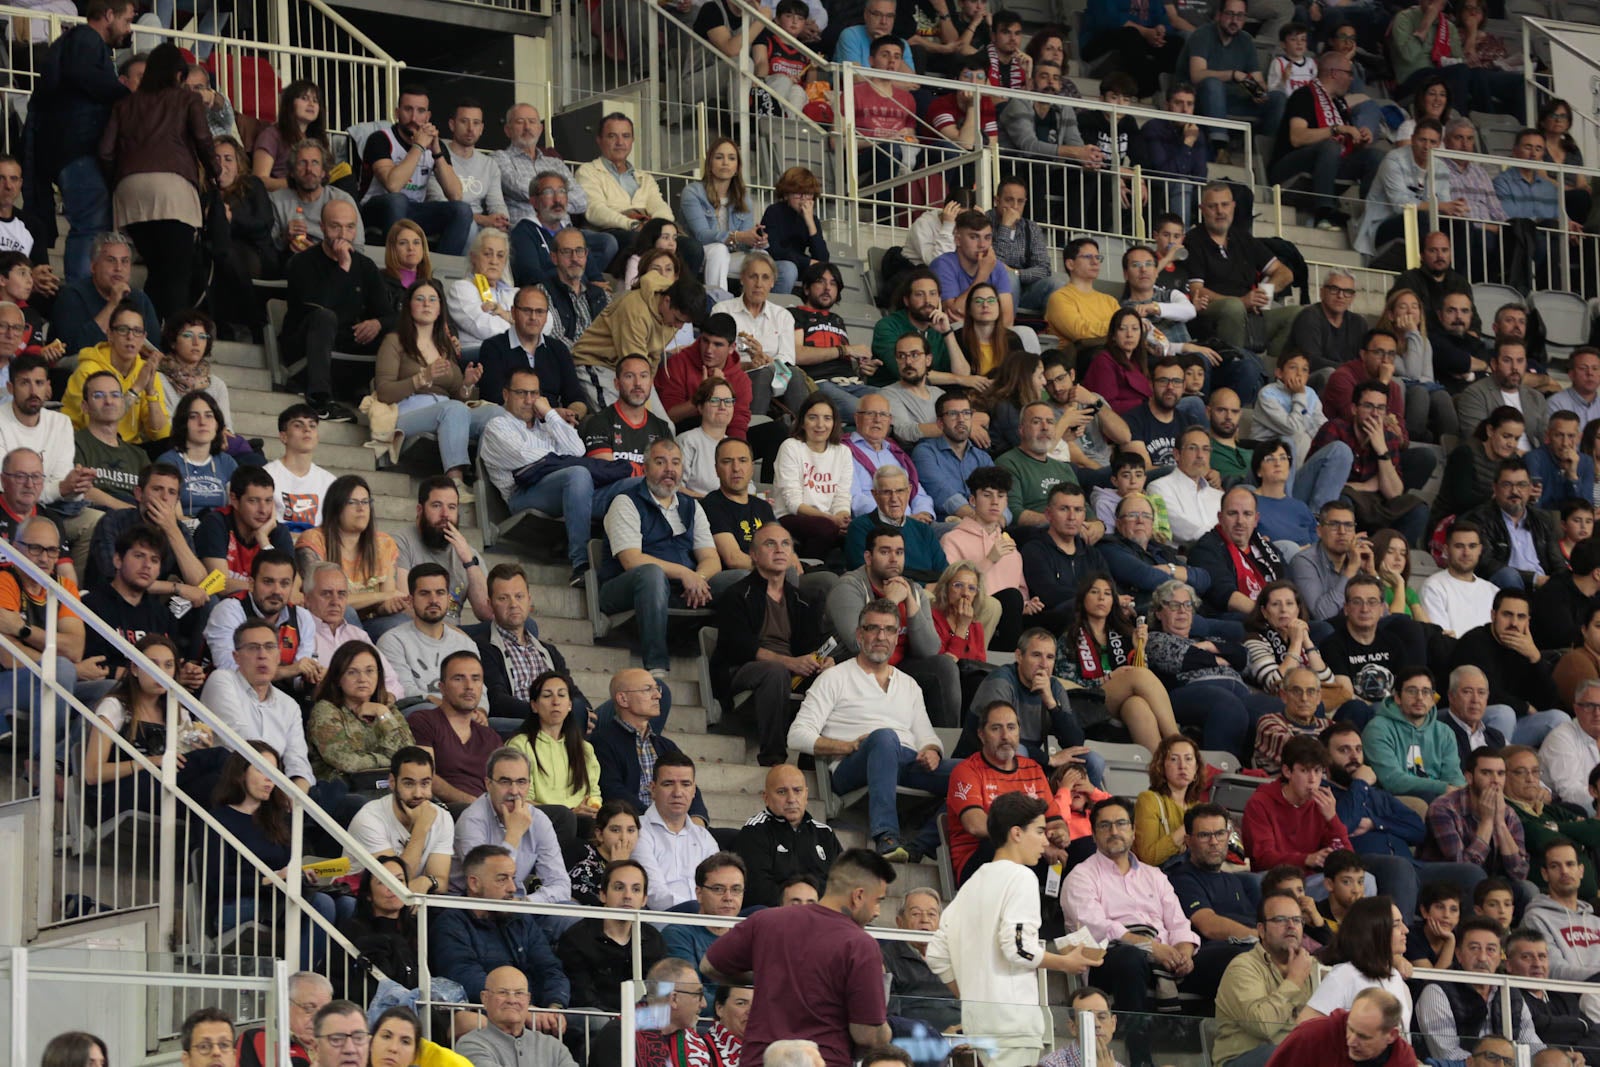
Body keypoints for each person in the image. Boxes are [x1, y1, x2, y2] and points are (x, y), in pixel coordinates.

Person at [926, 792, 1095, 1065]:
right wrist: (1065, 962)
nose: (1045, 840)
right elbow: (1018, 948)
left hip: (979, 1022)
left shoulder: (971, 884)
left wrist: (972, 998)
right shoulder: (1021, 877)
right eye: (1040, 831)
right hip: (1012, 1025)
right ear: (1016, 833)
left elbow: (935, 953)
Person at [789, 597, 955, 860]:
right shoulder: (834, 678)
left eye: (889, 630)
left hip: (905, 761)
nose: (881, 636)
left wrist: (933, 749)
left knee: (971, 773)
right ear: (859, 634)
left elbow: (926, 735)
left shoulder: (909, 684)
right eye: (873, 628)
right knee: (884, 738)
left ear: (896, 637)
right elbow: (797, 735)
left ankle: (920, 844)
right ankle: (887, 836)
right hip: (852, 765)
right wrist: (848, 746)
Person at [702, 848, 896, 1067]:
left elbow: (709, 966)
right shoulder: (861, 944)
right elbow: (867, 1034)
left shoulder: (765, 921)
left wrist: (761, 977)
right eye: (878, 901)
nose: (877, 912)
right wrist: (886, 1032)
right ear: (858, 896)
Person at [203, 742, 355, 967]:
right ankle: (298, 984)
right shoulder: (217, 819)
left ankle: (324, 976)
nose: (269, 779)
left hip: (279, 898)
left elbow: (289, 868)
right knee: (322, 904)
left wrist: (304, 875)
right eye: (262, 770)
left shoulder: (277, 820)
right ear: (240, 772)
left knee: (347, 905)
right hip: (236, 902)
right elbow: (217, 882)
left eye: (274, 773)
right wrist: (271, 879)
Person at [1062, 796, 1213, 1016]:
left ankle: (1217, 1046)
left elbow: (1179, 923)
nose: (1114, 831)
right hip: (1108, 960)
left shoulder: (1154, 875)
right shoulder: (1081, 877)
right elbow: (1096, 929)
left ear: (1133, 831)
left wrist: (1184, 953)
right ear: (1094, 835)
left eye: (1121, 824)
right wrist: (1149, 947)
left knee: (1225, 958)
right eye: (1105, 825)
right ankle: (1137, 1045)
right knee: (1130, 957)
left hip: (1165, 958)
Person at [30, 0, 135, 282]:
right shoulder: (85, 39)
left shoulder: (75, 42)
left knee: (89, 225)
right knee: (89, 226)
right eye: (126, 21)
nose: (127, 30)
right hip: (78, 152)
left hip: (69, 152)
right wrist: (129, 97)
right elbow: (86, 77)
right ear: (109, 15)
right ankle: (80, 297)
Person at [711, 526, 831, 766]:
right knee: (775, 672)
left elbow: (810, 645)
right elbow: (739, 647)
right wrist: (788, 662)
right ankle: (773, 758)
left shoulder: (803, 600)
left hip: (791, 668)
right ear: (754, 555)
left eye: (785, 544)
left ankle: (811, 760)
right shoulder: (736, 594)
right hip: (744, 667)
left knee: (834, 676)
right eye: (770, 544)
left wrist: (823, 661)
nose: (779, 550)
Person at [280, 199, 394, 421]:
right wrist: (343, 268)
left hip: (346, 343)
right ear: (322, 227)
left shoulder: (365, 266)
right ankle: (320, 401)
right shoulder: (301, 262)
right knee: (324, 317)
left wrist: (377, 323)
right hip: (304, 345)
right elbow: (320, 306)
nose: (343, 233)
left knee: (393, 332)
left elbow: (389, 314)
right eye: (335, 226)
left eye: (349, 227)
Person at [428, 843, 569, 1021]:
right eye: (502, 879)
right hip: (489, 1019)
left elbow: (550, 969)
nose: (512, 888)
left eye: (513, 878)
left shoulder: (521, 920)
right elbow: (467, 978)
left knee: (596, 1022)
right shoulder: (451, 924)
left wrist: (554, 1008)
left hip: (537, 1015)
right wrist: (524, 1010)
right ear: (474, 883)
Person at [1056, 572, 1181, 752]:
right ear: (1083, 598)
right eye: (1094, 592)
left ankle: (1160, 766)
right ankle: (1177, 742)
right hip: (1087, 701)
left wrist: (1139, 649)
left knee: (1137, 705)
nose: (1101, 598)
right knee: (1137, 675)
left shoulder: (1124, 634)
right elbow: (1066, 685)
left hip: (1119, 701)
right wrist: (1106, 679)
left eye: (1107, 594)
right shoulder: (1070, 638)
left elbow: (1142, 683)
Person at [1307, 382, 1430, 546]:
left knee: (1417, 509)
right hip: (1342, 501)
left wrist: (1381, 449)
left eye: (1381, 408)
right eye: (1368, 406)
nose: (1375, 414)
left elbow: (1394, 493)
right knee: (1343, 501)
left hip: (1374, 505)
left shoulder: (1388, 438)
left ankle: (1390, 556)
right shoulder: (1335, 429)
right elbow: (1322, 484)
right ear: (1354, 409)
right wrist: (1365, 486)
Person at [1267, 58, 1382, 233]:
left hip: (1328, 164)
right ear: (1334, 73)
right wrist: (1337, 129)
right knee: (1329, 145)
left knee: (1375, 156)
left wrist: (1360, 139)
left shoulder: (1339, 104)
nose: (1352, 79)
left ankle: (1370, 218)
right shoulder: (1303, 95)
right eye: (1349, 74)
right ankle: (1324, 211)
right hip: (1288, 166)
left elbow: (1344, 145)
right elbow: (1296, 137)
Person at [1213, 889, 1322, 1067]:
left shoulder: (1313, 966)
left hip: (1295, 1055)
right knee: (1286, 1052)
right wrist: (1294, 981)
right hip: (1244, 1059)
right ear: (1261, 930)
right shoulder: (1243, 967)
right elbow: (1262, 1026)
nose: (1291, 926)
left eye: (1297, 920)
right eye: (1280, 920)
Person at [1185, 182, 1298, 353]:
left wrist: (1263, 294)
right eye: (1212, 206)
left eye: (1225, 205)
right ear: (1202, 209)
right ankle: (1237, 365)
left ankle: (1273, 372)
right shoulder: (1193, 240)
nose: (1220, 211)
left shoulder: (1243, 238)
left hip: (1252, 316)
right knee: (1233, 307)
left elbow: (1285, 273)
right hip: (1213, 315)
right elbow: (1197, 291)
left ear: (1233, 206)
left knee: (1299, 314)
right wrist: (1242, 302)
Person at [359, 87, 472, 256]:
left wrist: (437, 153)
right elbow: (393, 185)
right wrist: (418, 147)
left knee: (462, 210)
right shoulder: (380, 139)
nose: (413, 118)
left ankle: (440, 271)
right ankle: (395, 266)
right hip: (377, 208)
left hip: (414, 210)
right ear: (397, 113)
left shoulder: (435, 145)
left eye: (420, 111)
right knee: (397, 200)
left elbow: (455, 194)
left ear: (427, 117)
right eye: (408, 109)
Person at [1447, 588, 1567, 745]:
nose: (1514, 623)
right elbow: (1484, 694)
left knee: (1559, 719)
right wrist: (1525, 707)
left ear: (1528, 621)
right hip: (1463, 721)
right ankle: (1493, 768)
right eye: (1507, 615)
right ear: (1493, 615)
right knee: (1504, 713)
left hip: (1508, 726)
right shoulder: (1474, 642)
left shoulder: (1525, 647)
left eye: (1521, 617)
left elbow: (1550, 701)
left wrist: (1535, 658)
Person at [1419, 747, 1532, 905]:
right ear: (1469, 777)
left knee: (1527, 889)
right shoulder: (1443, 808)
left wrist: (1499, 824)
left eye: (1500, 773)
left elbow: (1519, 873)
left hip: (1489, 882)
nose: (1495, 780)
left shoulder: (1508, 813)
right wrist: (1487, 822)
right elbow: (1463, 870)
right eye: (1486, 773)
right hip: (1445, 886)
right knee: (1474, 877)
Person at [1415, 923, 1542, 1061]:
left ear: (1500, 957)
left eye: (1491, 950)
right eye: (1474, 948)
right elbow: (1447, 1055)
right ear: (1459, 955)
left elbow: (1533, 1047)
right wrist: (1494, 1064)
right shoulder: (1437, 991)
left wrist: (1554, 1058)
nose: (1482, 957)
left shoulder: (1510, 993)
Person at [294, 476, 404, 635]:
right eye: (352, 502)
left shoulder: (384, 543)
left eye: (366, 502)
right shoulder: (314, 540)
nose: (361, 508)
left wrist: (388, 605)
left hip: (371, 620)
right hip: (324, 620)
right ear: (336, 507)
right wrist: (384, 595)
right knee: (346, 612)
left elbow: (385, 601)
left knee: (400, 623)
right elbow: (326, 599)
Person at [553, 857, 665, 1013]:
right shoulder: (577, 938)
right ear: (603, 895)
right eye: (619, 888)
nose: (628, 895)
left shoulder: (653, 938)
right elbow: (583, 998)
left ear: (644, 899)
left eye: (636, 889)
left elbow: (660, 996)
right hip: (597, 1026)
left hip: (643, 1026)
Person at [62, 299, 170, 445]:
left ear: (144, 338)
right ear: (110, 335)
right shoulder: (88, 370)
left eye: (137, 331)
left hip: (129, 449)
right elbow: (98, 426)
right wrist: (137, 388)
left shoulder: (145, 371)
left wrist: (151, 392)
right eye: (123, 330)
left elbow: (161, 435)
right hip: (85, 444)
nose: (130, 337)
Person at [732, 764, 841, 908]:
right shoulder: (755, 831)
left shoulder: (825, 834)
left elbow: (843, 883)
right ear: (766, 798)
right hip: (776, 916)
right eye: (782, 792)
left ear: (806, 795)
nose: (791, 799)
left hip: (821, 916)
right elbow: (758, 890)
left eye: (797, 791)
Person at [393, 476, 492, 626]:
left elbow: (487, 612)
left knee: (522, 625)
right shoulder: (401, 543)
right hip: (415, 628)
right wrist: (451, 634)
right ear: (420, 510)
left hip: (456, 634)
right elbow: (405, 606)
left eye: (452, 507)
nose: (445, 514)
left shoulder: (467, 553)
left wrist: (469, 562)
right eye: (437, 505)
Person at [1457, 459, 1566, 592]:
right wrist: (1533, 579)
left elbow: (1558, 563)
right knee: (1508, 575)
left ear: (1530, 488)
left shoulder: (1543, 519)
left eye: (1522, 485)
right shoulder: (1479, 519)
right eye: (1507, 485)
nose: (1515, 491)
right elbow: (1486, 563)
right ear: (1495, 488)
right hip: (1505, 587)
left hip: (1544, 588)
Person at [1362, 665, 1465, 801]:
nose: (1420, 698)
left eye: (1426, 692)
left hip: (1441, 800)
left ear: (1433, 698)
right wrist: (1442, 788)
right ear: (1397, 697)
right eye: (1412, 691)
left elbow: (1454, 777)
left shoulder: (1444, 732)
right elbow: (1392, 780)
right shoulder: (1377, 729)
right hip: (1394, 801)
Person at [50, 231, 160, 355]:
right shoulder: (71, 295)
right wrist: (113, 304)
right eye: (111, 260)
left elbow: (154, 348)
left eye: (124, 261)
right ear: (93, 266)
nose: (118, 268)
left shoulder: (140, 299)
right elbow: (75, 349)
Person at [869, 270, 980, 390]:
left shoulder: (940, 329)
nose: (928, 301)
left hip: (930, 395)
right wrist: (957, 379)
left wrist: (947, 333)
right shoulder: (887, 326)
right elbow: (906, 371)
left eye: (933, 294)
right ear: (906, 300)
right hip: (889, 393)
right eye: (919, 294)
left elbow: (963, 374)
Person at [773, 392, 853, 557]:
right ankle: (808, 568)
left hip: (828, 519)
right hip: (791, 516)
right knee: (825, 528)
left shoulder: (843, 452)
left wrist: (842, 517)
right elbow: (793, 503)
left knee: (860, 529)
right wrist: (831, 519)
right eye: (813, 417)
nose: (820, 425)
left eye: (827, 418)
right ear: (802, 422)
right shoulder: (791, 447)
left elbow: (842, 497)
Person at [1267, 988, 1417, 1067]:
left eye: (1363, 1036)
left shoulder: (1403, 1060)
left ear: (1391, 1035)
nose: (1351, 1041)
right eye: (1350, 1028)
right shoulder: (1310, 1037)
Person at [267, 139, 355, 269]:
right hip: (292, 264)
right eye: (302, 163)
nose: (309, 169)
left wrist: (320, 252)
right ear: (292, 172)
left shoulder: (342, 199)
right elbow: (268, 249)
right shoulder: (276, 200)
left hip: (335, 263)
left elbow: (358, 247)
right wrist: (285, 237)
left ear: (323, 171)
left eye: (315, 163)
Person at [1524, 838, 1600, 980]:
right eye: (1555, 866)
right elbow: (1553, 970)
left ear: (1581, 871)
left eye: (1570, 864)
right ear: (1545, 874)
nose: (1564, 871)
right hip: (1567, 998)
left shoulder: (1596, 922)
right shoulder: (1536, 918)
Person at [1456, 338, 1549, 446]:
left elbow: (1547, 439)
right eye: (1507, 360)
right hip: (1498, 461)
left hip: (1533, 460)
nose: (1515, 368)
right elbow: (1479, 443)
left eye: (1520, 361)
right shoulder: (1475, 395)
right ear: (1494, 364)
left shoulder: (1536, 397)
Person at [1148, 425, 1224, 546]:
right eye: (1192, 448)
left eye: (1205, 449)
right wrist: (1223, 539)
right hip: (1182, 559)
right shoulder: (1158, 488)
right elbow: (1181, 530)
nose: (1200, 455)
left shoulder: (1219, 496)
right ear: (1177, 454)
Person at [1421, 522, 1500, 638]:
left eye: (1472, 546)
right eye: (1459, 546)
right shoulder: (1433, 587)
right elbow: (1441, 640)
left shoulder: (1493, 591)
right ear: (1446, 550)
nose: (1466, 553)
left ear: (1480, 550)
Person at [234, 971, 329, 1067]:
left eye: (326, 1011)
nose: (318, 1019)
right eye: (309, 1008)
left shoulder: (336, 1045)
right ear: (285, 1006)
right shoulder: (258, 1039)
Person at [445, 230, 517, 350]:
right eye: (487, 254)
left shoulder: (515, 293)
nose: (494, 261)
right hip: (478, 354)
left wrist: (506, 315)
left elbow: (546, 321)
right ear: (474, 257)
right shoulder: (461, 288)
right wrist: (522, 327)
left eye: (500, 255)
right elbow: (486, 329)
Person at [1539, 681, 1600, 813]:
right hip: (1565, 813)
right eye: (1590, 706)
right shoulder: (1561, 738)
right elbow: (1570, 793)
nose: (1597, 713)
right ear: (1576, 709)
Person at [568, 800, 642, 906]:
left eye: (631, 830)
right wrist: (616, 868)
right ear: (600, 835)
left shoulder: (636, 869)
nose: (624, 838)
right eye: (615, 830)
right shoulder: (580, 851)